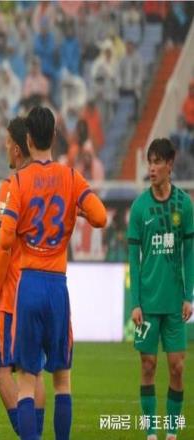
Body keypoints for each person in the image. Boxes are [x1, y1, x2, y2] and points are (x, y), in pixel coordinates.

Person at [0, 107, 107, 440]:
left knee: (27, 380)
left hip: (28, 284)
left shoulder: (19, 182)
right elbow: (100, 217)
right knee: (62, 380)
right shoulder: (71, 177)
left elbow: (5, 241)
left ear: (28, 139)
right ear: (54, 136)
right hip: (57, 284)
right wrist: (75, 211)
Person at [127, 138, 193, 440]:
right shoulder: (140, 207)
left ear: (170, 164)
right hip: (148, 303)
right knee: (148, 365)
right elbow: (134, 258)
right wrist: (135, 302)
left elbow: (189, 254)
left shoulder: (184, 205)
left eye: (157, 162)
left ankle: (172, 432)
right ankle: (151, 431)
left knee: (177, 367)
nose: (152, 168)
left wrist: (189, 295)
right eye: (149, 162)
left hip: (175, 302)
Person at [0, 117, 46, 438]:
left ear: (17, 147)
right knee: (33, 370)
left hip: (12, 292)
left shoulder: (12, 187)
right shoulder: (46, 185)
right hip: (42, 285)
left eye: (7, 141)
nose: (4, 146)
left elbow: (4, 247)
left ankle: (30, 436)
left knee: (1, 372)